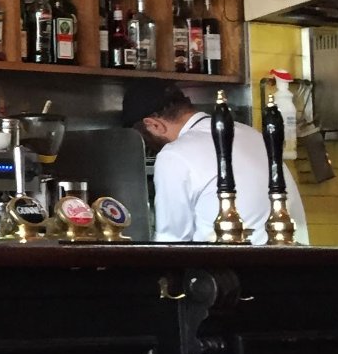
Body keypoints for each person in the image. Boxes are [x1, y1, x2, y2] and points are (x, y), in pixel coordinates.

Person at [121, 80, 307, 244]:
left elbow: (172, 242)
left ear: (154, 125)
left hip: (235, 275)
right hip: (294, 264)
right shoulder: (253, 134)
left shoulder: (174, 155)